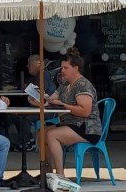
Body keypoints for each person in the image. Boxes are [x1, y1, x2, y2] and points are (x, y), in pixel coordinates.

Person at [43, 48, 102, 178]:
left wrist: (63, 105)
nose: (62, 71)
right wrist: (38, 100)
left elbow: (85, 111)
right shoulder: (65, 84)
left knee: (52, 135)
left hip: (86, 128)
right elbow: (51, 99)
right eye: (62, 68)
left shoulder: (83, 85)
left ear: (76, 68)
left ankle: (60, 175)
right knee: (41, 134)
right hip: (70, 124)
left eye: (66, 68)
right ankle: (47, 173)